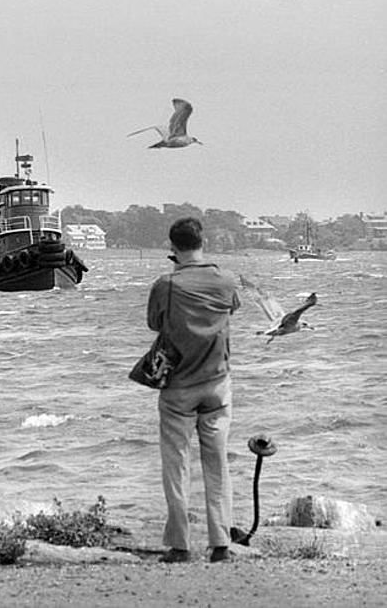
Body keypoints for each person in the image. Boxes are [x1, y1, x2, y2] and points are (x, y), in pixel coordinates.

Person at [146, 218, 241, 564]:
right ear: (204, 241)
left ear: (172, 247)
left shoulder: (165, 284)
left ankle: (180, 544)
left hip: (178, 387)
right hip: (217, 383)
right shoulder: (227, 280)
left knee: (176, 464)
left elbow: (155, 323)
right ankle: (220, 543)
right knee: (217, 464)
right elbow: (232, 308)